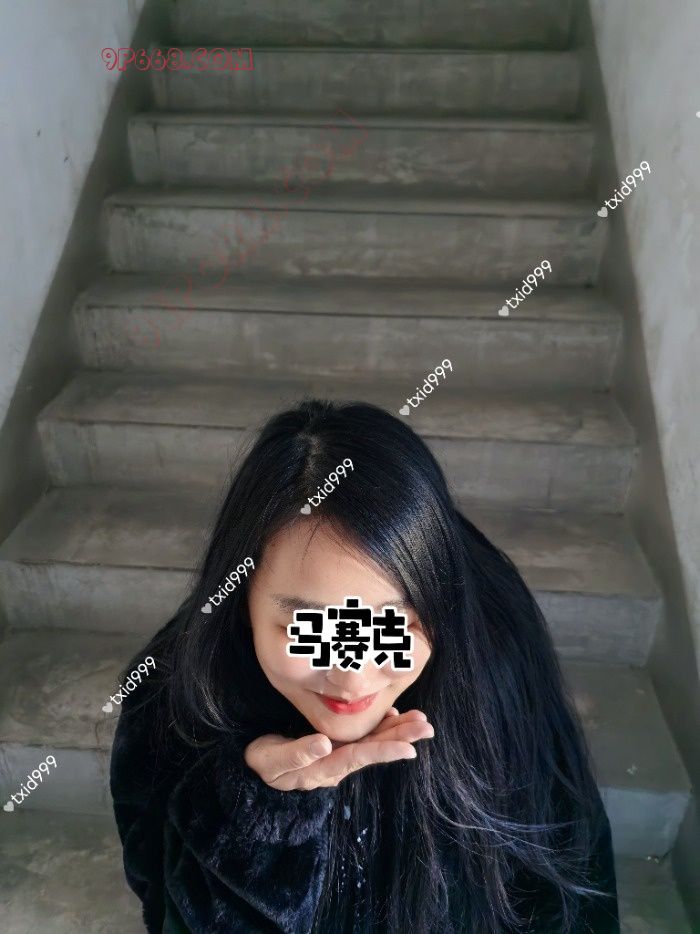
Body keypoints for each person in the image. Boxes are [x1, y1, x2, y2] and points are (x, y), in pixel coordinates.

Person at [110, 399, 619, 933]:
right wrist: (256, 818)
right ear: (243, 601)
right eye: (308, 627)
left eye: (395, 623)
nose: (352, 676)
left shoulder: (497, 658)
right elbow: (165, 907)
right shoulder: (171, 696)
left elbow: (568, 885)